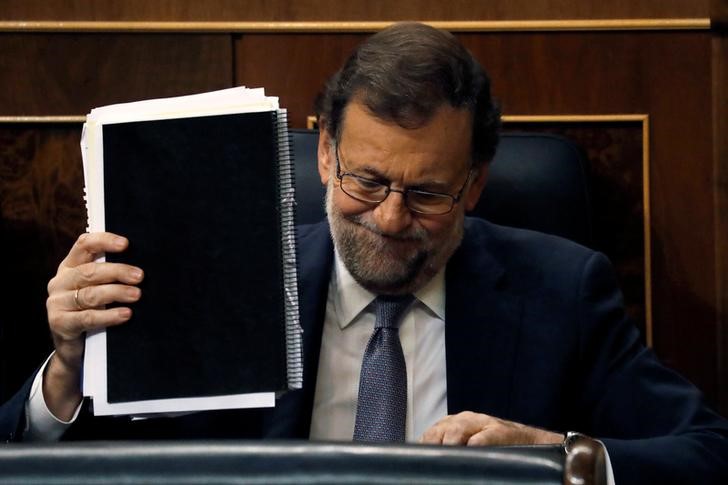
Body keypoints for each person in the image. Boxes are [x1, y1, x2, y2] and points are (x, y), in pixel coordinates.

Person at [2, 22, 727, 483]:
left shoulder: (562, 291)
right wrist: (68, 366)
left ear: (474, 185)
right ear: (323, 155)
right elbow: (62, 461)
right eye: (366, 180)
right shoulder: (220, 273)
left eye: (427, 193)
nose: (387, 218)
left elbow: (709, 450)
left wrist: (560, 458)